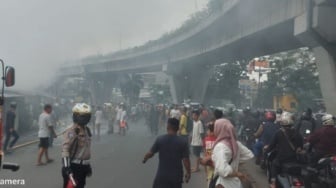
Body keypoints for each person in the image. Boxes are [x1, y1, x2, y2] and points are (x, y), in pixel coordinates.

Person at [202, 118, 253, 188]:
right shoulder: (236, 144)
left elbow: (223, 170)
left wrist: (237, 173)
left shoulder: (220, 146)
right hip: (236, 183)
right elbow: (249, 155)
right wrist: (235, 162)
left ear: (219, 130)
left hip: (223, 183)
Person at [143, 118, 191, 188]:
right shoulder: (182, 142)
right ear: (177, 128)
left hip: (161, 177)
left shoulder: (160, 139)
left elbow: (150, 153)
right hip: (176, 177)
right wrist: (188, 172)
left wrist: (145, 158)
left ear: (167, 127)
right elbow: (186, 160)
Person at [266, 112, 303, 188]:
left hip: (281, 159)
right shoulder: (297, 133)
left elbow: (271, 145)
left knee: (274, 164)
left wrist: (266, 150)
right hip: (294, 159)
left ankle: (273, 182)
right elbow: (301, 146)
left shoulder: (278, 133)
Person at [62, 103, 92, 188]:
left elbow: (85, 149)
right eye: (82, 116)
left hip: (83, 166)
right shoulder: (72, 131)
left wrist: (87, 165)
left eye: (87, 115)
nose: (85, 118)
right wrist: (66, 167)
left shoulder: (87, 130)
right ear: (76, 116)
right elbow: (65, 150)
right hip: (73, 167)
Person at [200, 122, 216, 186]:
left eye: (208, 130)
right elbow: (204, 148)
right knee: (212, 175)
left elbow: (204, 149)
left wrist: (205, 156)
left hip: (211, 161)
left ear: (212, 131)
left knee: (211, 176)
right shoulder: (217, 139)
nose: (207, 131)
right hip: (211, 161)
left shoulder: (206, 139)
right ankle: (209, 178)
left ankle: (209, 179)